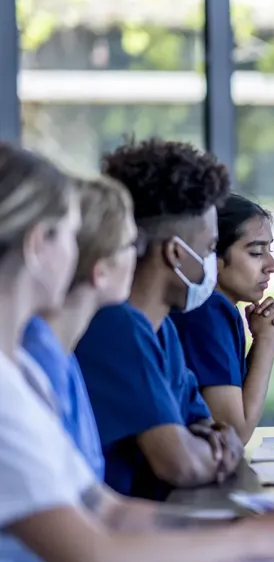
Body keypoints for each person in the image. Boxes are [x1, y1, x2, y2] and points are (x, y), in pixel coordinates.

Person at [0, 142, 274, 562]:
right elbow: (95, 561)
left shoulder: (24, 374)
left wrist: (256, 531)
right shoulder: (14, 387)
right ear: (38, 246)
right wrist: (254, 540)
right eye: (73, 237)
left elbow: (106, 509)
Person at [75, 137, 243, 501]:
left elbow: (209, 427)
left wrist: (212, 443)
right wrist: (213, 453)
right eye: (210, 248)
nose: (213, 262)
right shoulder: (116, 326)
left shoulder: (161, 328)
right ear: (175, 253)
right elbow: (180, 463)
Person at [21, 176, 138, 485]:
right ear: (100, 270)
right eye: (129, 244)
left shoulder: (61, 351)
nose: (137, 256)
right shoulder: (38, 358)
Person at [171, 194, 274, 444]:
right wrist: (266, 343)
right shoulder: (207, 311)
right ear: (211, 255)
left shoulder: (221, 309)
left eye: (269, 250)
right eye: (256, 252)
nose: (271, 265)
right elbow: (235, 434)